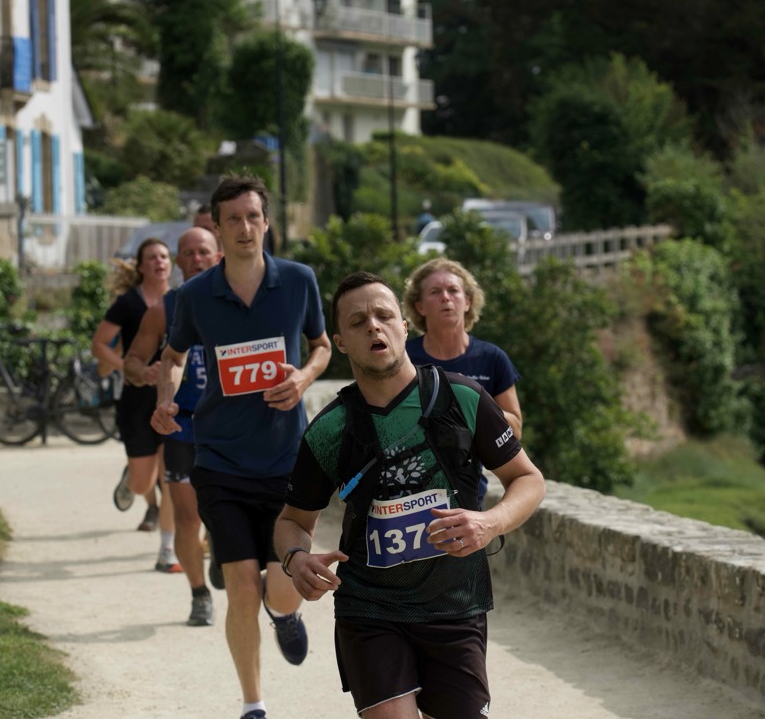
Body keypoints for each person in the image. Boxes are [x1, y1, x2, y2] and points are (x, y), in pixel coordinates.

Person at [274, 272, 545, 719]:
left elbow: (528, 479)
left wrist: (489, 522)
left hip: (454, 602)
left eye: (383, 316)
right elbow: (292, 521)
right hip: (369, 606)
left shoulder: (463, 397)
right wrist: (296, 559)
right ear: (340, 343)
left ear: (403, 326)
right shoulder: (330, 430)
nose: (373, 326)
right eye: (357, 322)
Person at [151, 174, 331, 719]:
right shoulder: (195, 295)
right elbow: (174, 356)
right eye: (233, 219)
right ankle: (254, 704)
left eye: (253, 217)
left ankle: (286, 614)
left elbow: (322, 346)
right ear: (217, 228)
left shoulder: (298, 280)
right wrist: (166, 399)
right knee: (242, 587)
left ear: (266, 222)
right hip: (221, 461)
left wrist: (302, 378)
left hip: (286, 461)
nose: (245, 227)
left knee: (282, 588)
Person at [125, 226, 222, 625]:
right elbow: (132, 361)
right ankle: (199, 594)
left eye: (204, 252)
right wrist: (144, 373)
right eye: (189, 253)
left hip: (231, 427)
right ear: (178, 261)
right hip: (182, 425)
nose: (196, 259)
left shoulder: (240, 303)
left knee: (226, 512)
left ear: (218, 256)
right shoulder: (165, 308)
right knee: (185, 517)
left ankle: (221, 548)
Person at [403, 257, 523, 502]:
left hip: (468, 494)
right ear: (419, 307)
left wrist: (471, 410)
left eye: (453, 290)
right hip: (406, 493)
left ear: (467, 302)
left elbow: (515, 429)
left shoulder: (492, 358)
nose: (446, 298)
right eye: (435, 292)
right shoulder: (402, 357)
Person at [94, 237, 180, 572]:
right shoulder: (128, 303)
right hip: (136, 398)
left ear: (170, 263)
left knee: (171, 477)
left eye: (164, 256)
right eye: (152, 257)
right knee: (143, 484)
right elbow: (99, 344)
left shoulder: (181, 300)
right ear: (141, 266)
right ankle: (132, 474)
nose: (159, 262)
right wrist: (133, 369)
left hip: (172, 399)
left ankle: (167, 550)